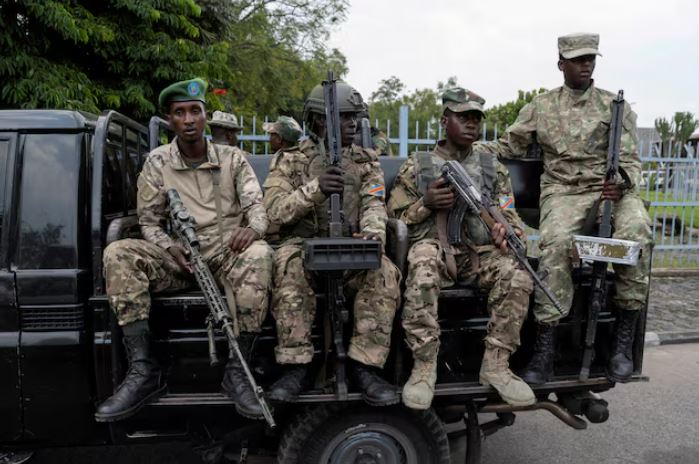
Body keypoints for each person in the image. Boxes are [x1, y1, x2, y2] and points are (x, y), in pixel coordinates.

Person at [95, 78, 274, 422]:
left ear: (205, 116)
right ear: (170, 120)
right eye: (180, 113)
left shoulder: (233, 158)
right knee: (118, 253)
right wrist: (169, 246)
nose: (189, 119)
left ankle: (239, 371)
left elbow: (256, 205)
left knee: (260, 254)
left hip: (226, 254)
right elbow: (149, 222)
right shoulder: (157, 163)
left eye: (196, 111)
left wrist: (252, 229)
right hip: (181, 259)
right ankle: (144, 370)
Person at [478, 33, 652, 384]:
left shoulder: (615, 107)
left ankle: (622, 341)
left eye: (591, 59)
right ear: (561, 64)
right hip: (564, 192)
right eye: (578, 59)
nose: (586, 65)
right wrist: (464, 148)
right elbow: (509, 144)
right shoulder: (541, 106)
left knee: (637, 235)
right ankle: (546, 350)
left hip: (611, 189)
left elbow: (633, 160)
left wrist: (622, 182)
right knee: (555, 244)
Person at [388, 88, 536, 410]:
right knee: (423, 262)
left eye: (476, 119)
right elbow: (393, 220)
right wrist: (425, 204)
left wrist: (506, 230)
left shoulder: (491, 166)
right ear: (444, 120)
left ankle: (496, 365)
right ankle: (424, 366)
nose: (471, 124)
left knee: (518, 274)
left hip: (479, 254)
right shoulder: (419, 165)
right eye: (463, 117)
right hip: (435, 249)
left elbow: (509, 211)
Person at [263, 80, 401, 405]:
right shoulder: (291, 159)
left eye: (356, 116)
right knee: (288, 264)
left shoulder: (366, 161)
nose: (354, 123)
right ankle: (297, 366)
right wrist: (315, 189)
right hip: (304, 247)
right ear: (320, 120)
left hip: (349, 247)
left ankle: (364, 365)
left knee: (383, 270)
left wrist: (372, 235)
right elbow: (272, 213)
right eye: (345, 116)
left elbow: (374, 204)